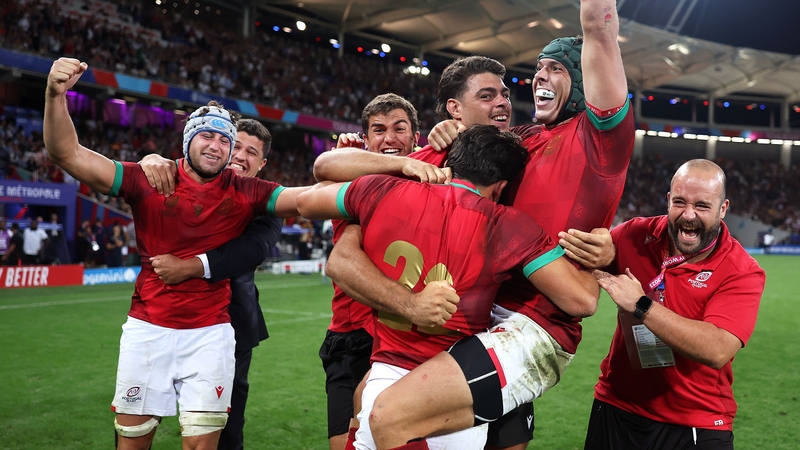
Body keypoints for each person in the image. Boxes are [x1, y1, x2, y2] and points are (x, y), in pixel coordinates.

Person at [314, 0, 633, 447]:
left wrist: (610, 247)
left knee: (386, 418)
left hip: (531, 324)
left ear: (583, 81)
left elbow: (599, 27)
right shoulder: (514, 142)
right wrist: (447, 132)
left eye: (557, 68)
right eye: (538, 68)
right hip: (476, 318)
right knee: (371, 405)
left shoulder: (597, 139)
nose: (539, 76)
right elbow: (327, 170)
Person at [43, 57, 311, 450]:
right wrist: (54, 95)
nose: (223, 149)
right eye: (210, 137)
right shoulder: (148, 177)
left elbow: (303, 204)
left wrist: (372, 175)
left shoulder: (253, 194)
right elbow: (68, 154)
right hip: (149, 328)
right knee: (132, 439)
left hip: (219, 330)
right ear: (188, 140)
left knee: (216, 442)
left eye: (228, 141)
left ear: (261, 161)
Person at [297, 125, 600, 450]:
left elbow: (305, 202)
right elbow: (580, 301)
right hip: (453, 391)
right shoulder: (505, 224)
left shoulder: (381, 189)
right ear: (500, 187)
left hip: (384, 375)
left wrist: (356, 224)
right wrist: (601, 259)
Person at [579, 159, 765, 450]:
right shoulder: (635, 235)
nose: (688, 215)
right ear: (668, 200)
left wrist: (641, 305)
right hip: (617, 405)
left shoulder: (740, 270)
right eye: (680, 202)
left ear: (723, 209)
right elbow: (598, 245)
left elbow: (717, 349)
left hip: (694, 421)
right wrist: (601, 239)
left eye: (702, 206)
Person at [138, 117, 283, 450]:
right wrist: (150, 161)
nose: (241, 155)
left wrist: (192, 266)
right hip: (161, 316)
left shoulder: (265, 200)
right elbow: (147, 179)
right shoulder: (180, 180)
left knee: (224, 425)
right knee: (139, 418)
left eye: (253, 152)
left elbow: (254, 249)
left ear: (261, 165)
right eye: (239, 144)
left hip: (231, 324)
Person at [320, 93, 421, 450]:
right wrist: (349, 155)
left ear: (416, 138)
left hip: (408, 338)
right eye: (378, 130)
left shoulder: (430, 182)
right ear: (364, 140)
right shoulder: (354, 183)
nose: (389, 138)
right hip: (352, 336)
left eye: (399, 128)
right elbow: (325, 168)